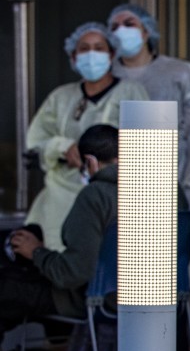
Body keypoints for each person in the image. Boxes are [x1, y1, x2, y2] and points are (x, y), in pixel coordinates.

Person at [4, 124, 120, 351]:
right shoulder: (166, 190)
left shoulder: (96, 195)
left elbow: (74, 274)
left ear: (90, 162)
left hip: (100, 300)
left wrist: (37, 253)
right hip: (160, 297)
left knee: (9, 287)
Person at [25, 22, 148, 251]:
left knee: (106, 267)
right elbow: (35, 142)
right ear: (73, 56)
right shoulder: (61, 97)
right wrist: (62, 147)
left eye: (99, 47)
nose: (92, 54)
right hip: (61, 198)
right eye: (84, 48)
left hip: (114, 198)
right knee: (63, 263)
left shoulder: (132, 93)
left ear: (112, 54)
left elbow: (148, 148)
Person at [108, 4, 190, 213]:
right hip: (115, 190)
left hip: (169, 185)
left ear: (147, 31)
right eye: (114, 27)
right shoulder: (105, 79)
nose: (120, 31)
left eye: (129, 24)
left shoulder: (181, 74)